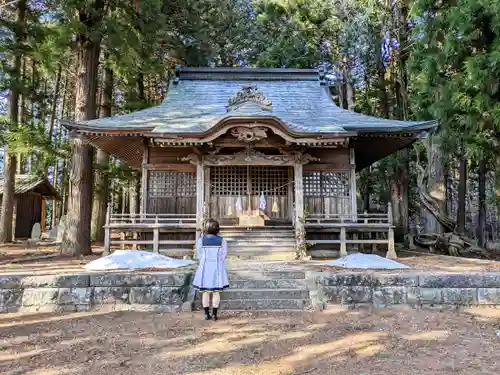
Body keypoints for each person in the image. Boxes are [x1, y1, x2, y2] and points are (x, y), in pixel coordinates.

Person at [192, 219, 229, 320]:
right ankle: (214, 314)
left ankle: (206, 314)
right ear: (217, 228)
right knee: (216, 292)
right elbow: (223, 255)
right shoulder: (222, 240)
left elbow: (199, 255)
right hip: (217, 267)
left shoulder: (201, 240)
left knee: (205, 292)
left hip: (204, 267)